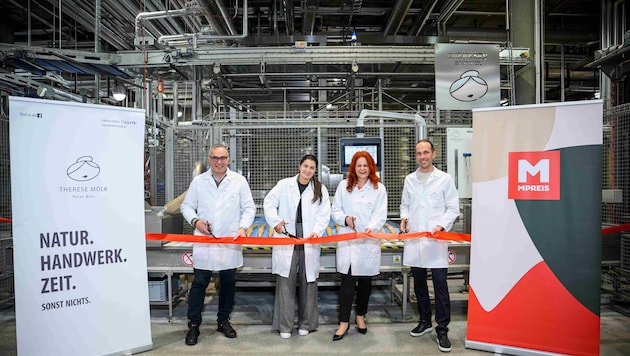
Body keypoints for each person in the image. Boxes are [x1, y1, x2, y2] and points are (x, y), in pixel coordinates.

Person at [180, 144, 256, 346]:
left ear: (228, 159)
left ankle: (223, 321)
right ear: (209, 159)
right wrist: (196, 222)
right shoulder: (199, 182)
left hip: (229, 241)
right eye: (215, 158)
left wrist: (243, 228)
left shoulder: (238, 181)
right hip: (204, 241)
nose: (219, 162)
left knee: (228, 282)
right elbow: (186, 206)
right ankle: (194, 325)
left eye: (222, 158)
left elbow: (249, 208)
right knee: (199, 283)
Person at [400, 139, 460, 353]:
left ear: (433, 154)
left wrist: (441, 225)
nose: (422, 156)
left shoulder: (444, 179)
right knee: (419, 283)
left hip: (436, 240)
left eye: (426, 152)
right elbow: (405, 204)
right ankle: (425, 320)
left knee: (440, 285)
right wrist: (404, 218)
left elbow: (453, 208)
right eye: (418, 153)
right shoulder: (409, 179)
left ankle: (442, 329)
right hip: (415, 239)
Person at [263, 154, 331, 339]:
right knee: (286, 281)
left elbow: (324, 215)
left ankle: (306, 324)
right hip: (287, 235)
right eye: (305, 166)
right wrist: (276, 222)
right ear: (299, 166)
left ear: (315, 170)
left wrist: (317, 231)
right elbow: (269, 203)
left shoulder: (320, 189)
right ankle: (284, 326)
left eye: (311, 168)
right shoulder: (284, 184)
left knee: (308, 281)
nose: (308, 170)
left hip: (309, 237)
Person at [331, 151, 387, 341]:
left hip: (368, 242)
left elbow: (380, 214)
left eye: (365, 165)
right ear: (353, 167)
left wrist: (371, 228)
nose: (362, 169)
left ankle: (361, 316)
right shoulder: (343, 186)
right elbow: (335, 210)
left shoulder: (379, 188)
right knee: (346, 283)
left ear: (371, 167)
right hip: (348, 240)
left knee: (365, 283)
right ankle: (343, 322)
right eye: (358, 165)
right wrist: (345, 219)